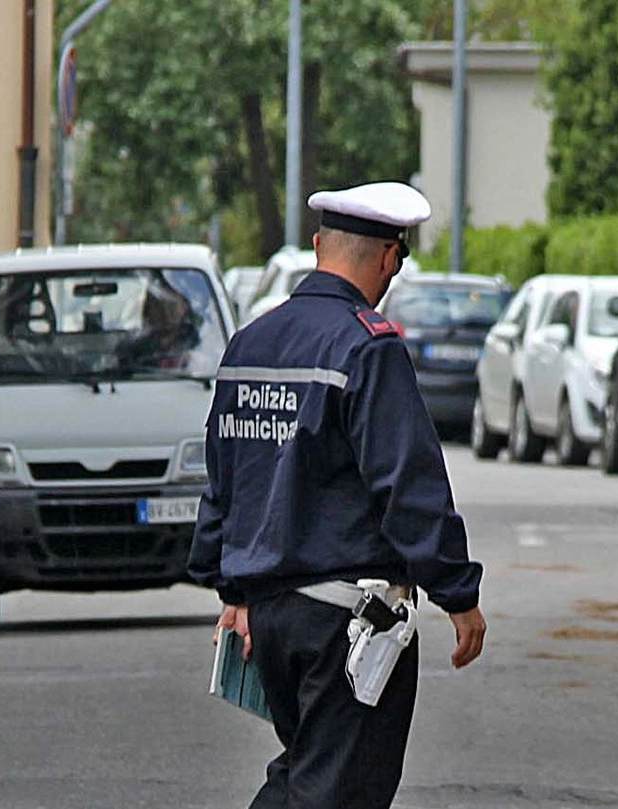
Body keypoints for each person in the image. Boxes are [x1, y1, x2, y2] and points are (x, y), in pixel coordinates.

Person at [188, 181, 487, 809]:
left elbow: (224, 478)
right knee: (339, 790)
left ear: (319, 245)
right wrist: (458, 593)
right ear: (388, 258)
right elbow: (406, 485)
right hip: (346, 621)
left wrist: (234, 590)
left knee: (308, 773)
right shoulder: (366, 346)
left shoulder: (252, 344)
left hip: (270, 617)